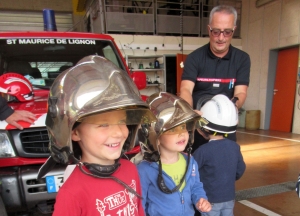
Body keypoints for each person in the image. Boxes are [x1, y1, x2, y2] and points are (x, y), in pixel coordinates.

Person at [37, 55, 156, 216]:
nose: (119, 132)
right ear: (74, 132)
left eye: (122, 122)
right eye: (104, 125)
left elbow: (138, 210)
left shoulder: (130, 169)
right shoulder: (72, 192)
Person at [180, 5, 251, 152]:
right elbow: (186, 89)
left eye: (227, 32)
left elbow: (241, 93)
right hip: (198, 127)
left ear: (234, 30)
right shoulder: (194, 58)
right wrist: (191, 115)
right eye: (216, 31)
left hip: (225, 128)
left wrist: (232, 107)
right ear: (209, 29)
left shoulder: (242, 59)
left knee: (225, 168)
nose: (221, 38)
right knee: (195, 169)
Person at [137, 92, 212, 216]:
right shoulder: (144, 170)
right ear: (155, 137)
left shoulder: (190, 161)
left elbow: (196, 187)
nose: (181, 133)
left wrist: (201, 199)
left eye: (183, 127)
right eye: (172, 129)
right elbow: (140, 203)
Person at [193, 94, 246, 216]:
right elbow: (240, 170)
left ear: (203, 129)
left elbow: (192, 173)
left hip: (210, 199)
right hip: (229, 198)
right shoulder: (235, 147)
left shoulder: (202, 151)